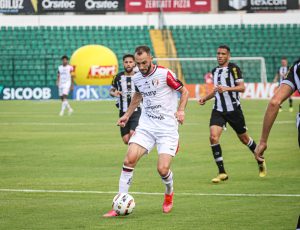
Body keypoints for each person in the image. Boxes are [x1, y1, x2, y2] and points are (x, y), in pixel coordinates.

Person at [103, 45, 189, 217]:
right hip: (147, 126)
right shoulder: (137, 78)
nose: (141, 67)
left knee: (162, 170)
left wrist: (180, 110)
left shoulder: (165, 74)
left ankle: (169, 193)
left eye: (144, 63)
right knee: (129, 159)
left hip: (167, 129)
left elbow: (184, 91)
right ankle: (119, 202)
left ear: (151, 59)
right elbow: (137, 96)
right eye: (138, 64)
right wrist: (127, 115)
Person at [198, 45, 266, 183]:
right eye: (218, 53)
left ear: (228, 56)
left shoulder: (234, 69)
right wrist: (205, 98)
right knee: (213, 137)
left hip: (234, 110)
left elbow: (242, 88)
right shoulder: (215, 71)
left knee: (244, 139)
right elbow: (217, 90)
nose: (220, 56)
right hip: (218, 109)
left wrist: (227, 88)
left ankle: (260, 159)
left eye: (223, 54)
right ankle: (222, 172)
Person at [255, 58, 300, 161]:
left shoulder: (296, 67)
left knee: (288, 98)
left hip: (287, 85)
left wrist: (263, 141)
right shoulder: (282, 69)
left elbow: (274, 102)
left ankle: (291, 106)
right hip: (284, 83)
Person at [110, 54, 141, 145]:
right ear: (123, 63)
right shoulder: (118, 77)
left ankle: (133, 155)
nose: (128, 64)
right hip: (123, 111)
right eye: (126, 62)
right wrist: (114, 93)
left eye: (130, 62)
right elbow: (111, 90)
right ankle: (134, 153)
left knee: (132, 134)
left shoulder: (139, 76)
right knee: (126, 140)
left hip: (137, 111)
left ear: (134, 63)